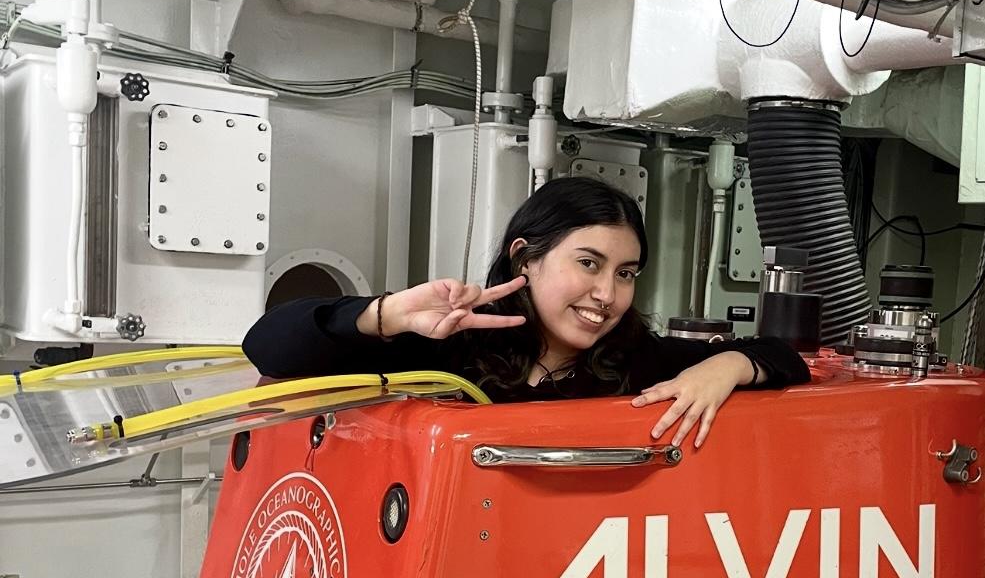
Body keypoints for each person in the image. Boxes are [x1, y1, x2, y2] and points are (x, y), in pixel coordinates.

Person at [243, 177, 810, 450]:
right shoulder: (445, 347)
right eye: (588, 263)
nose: (606, 293)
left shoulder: (640, 359)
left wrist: (725, 366)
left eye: (625, 273)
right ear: (527, 258)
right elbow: (269, 346)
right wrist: (385, 314)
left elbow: (784, 358)